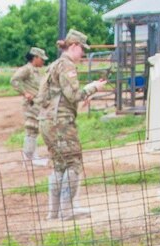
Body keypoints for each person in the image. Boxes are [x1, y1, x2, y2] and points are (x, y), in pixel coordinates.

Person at [35, 29, 105, 220]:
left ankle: (55, 212)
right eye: (82, 49)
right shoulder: (67, 66)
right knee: (73, 162)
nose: (83, 54)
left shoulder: (55, 65)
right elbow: (73, 95)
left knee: (59, 165)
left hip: (47, 121)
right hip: (61, 123)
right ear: (74, 46)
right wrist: (93, 88)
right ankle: (68, 210)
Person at [9, 46, 49, 166]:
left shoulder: (36, 70)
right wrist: (25, 93)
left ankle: (32, 157)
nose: (43, 61)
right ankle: (30, 159)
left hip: (38, 104)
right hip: (31, 105)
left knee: (35, 130)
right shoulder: (27, 69)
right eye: (41, 59)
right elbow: (14, 80)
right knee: (31, 129)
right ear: (35, 58)